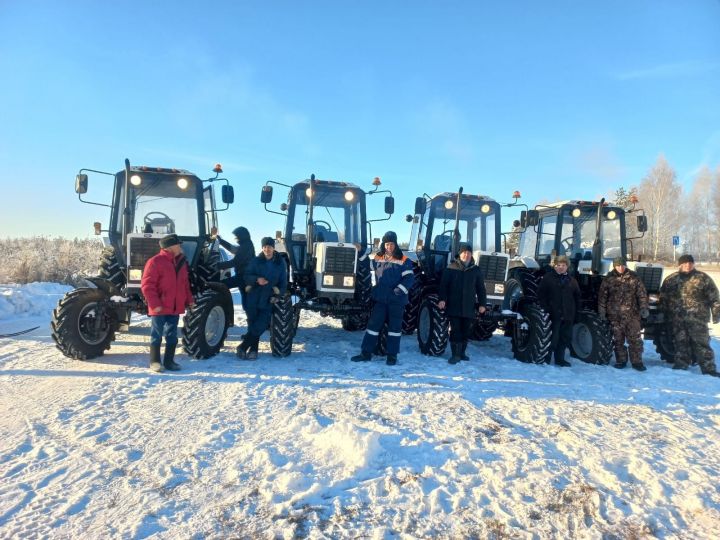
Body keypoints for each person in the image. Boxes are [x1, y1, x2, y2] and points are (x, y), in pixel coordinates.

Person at [351, 231, 415, 366]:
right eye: (387, 244)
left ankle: (392, 356)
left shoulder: (404, 260)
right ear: (383, 245)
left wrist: (398, 291)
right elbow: (365, 264)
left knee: (395, 329)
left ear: (395, 245)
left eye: (392, 244)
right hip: (380, 299)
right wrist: (361, 251)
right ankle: (366, 353)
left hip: (396, 301)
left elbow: (409, 278)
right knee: (373, 326)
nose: (389, 247)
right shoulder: (378, 258)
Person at [659, 254, 720, 377]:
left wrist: (716, 314)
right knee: (680, 342)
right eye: (685, 263)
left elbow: (714, 298)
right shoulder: (671, 279)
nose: (688, 265)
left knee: (702, 343)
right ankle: (681, 364)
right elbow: (663, 298)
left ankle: (709, 368)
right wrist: (664, 313)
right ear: (680, 265)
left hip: (698, 319)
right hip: (678, 319)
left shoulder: (703, 278)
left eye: (690, 263)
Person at [141, 233, 194, 373]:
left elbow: (185, 284)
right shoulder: (155, 262)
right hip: (159, 307)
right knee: (156, 334)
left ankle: (169, 361)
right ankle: (155, 362)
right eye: (178, 244)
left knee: (171, 335)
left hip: (175, 307)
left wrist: (190, 300)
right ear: (171, 247)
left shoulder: (181, 262)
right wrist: (154, 304)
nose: (180, 246)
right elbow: (147, 285)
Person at [237, 237, 288, 360]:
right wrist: (256, 279)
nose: (267, 249)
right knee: (253, 323)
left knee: (262, 324)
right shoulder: (256, 261)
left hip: (268, 297)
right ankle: (253, 350)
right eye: (265, 247)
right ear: (262, 248)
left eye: (269, 247)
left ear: (273, 248)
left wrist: (278, 295)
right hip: (254, 296)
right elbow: (246, 275)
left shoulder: (280, 263)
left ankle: (243, 346)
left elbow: (283, 282)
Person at [438, 242, 487, 364]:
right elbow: (444, 286)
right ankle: (455, 355)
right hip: (454, 306)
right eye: (464, 252)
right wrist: (442, 299)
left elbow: (481, 289)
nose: (467, 255)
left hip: (468, 307)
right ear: (460, 254)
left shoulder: (476, 270)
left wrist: (482, 304)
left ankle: (462, 353)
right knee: (455, 330)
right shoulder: (451, 268)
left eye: (469, 253)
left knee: (466, 331)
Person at [597, 256, 649, 371]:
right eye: (618, 265)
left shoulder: (634, 277)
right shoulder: (608, 279)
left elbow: (642, 295)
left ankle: (637, 362)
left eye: (622, 265)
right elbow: (602, 297)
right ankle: (621, 361)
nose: (620, 267)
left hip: (632, 315)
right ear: (614, 266)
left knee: (635, 340)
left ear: (625, 265)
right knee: (618, 340)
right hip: (615, 316)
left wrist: (644, 308)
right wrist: (602, 312)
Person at [538, 255, 580, 367]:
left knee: (565, 337)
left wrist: (576, 314)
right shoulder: (548, 278)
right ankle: (546, 358)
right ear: (554, 266)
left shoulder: (572, 281)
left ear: (567, 266)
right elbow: (541, 295)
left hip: (568, 315)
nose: (561, 267)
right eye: (558, 265)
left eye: (563, 265)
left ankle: (559, 359)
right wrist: (545, 309)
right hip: (552, 313)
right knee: (552, 337)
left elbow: (577, 298)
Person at [217, 226, 255, 312]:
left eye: (236, 236)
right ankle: (251, 318)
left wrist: (217, 266)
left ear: (242, 236)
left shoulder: (246, 246)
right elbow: (233, 249)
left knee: (221, 285)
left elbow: (235, 262)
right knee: (246, 302)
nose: (235, 238)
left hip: (244, 277)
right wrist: (221, 241)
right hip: (243, 277)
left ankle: (252, 320)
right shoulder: (245, 245)